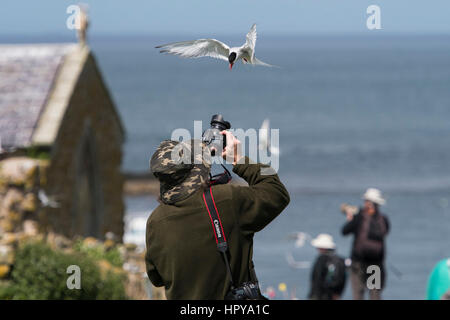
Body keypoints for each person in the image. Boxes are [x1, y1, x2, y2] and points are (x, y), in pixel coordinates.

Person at [145, 131, 290, 299]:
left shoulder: (155, 222)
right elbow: (277, 193)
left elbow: (156, 277)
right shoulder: (226, 200)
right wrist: (239, 160)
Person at [341, 188, 390, 300]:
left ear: (367, 202)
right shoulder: (384, 220)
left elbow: (344, 231)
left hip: (358, 262)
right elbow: (386, 233)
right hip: (376, 263)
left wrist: (351, 220)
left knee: (358, 294)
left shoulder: (360, 217)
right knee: (374, 294)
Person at [308, 234, 347, 300]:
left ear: (322, 247)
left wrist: (315, 295)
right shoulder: (339, 260)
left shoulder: (321, 259)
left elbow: (317, 278)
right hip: (334, 295)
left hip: (320, 295)